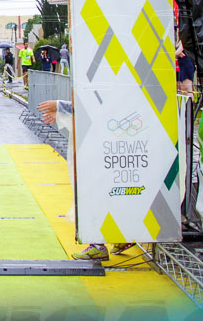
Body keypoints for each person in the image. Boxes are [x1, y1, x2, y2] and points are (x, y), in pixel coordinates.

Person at [36, 98, 132, 261]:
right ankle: (122, 236)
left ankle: (98, 245)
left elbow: (97, 103)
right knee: (110, 190)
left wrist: (62, 107)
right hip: (111, 139)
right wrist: (63, 112)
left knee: (92, 191)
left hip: (99, 144)